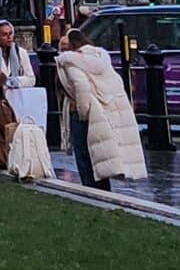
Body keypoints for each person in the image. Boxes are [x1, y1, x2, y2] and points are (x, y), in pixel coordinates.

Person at [55, 26, 146, 192]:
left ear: (72, 45)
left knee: (84, 155)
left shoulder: (71, 61)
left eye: (64, 46)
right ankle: (104, 190)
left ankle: (91, 191)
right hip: (104, 110)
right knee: (99, 155)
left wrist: (82, 113)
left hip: (86, 112)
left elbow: (81, 87)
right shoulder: (99, 58)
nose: (61, 50)